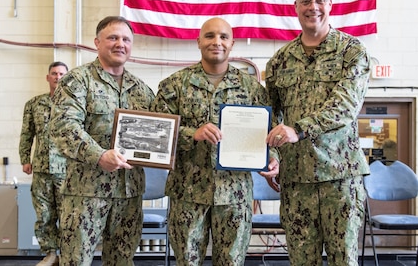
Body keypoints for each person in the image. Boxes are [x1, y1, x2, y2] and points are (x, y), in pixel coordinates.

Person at [151, 17, 280, 265]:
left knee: (231, 262)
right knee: (188, 262)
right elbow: (158, 135)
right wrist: (192, 134)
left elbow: (269, 132)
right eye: (209, 36)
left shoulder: (251, 88)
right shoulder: (174, 85)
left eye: (223, 37)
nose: (216, 42)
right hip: (187, 192)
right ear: (198, 41)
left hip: (235, 195)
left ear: (232, 44)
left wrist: (273, 158)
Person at [265, 0, 371, 266]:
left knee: (343, 260)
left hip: (340, 178)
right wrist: (272, 154)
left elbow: (345, 107)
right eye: (306, 1)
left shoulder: (353, 52)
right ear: (296, 6)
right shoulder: (279, 61)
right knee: (301, 261)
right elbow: (270, 115)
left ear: (331, 4)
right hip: (296, 180)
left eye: (320, 0)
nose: (314, 7)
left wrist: (299, 129)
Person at [49, 16, 155, 266]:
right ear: (97, 42)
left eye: (126, 39)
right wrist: (98, 155)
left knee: (122, 261)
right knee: (76, 261)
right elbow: (63, 127)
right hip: (86, 193)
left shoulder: (141, 89)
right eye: (113, 38)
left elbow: (159, 132)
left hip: (129, 194)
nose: (120, 44)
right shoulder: (77, 81)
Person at [19, 61, 68, 266]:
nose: (58, 77)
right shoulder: (34, 104)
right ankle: (50, 253)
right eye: (54, 74)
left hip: (68, 170)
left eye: (62, 74)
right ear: (48, 77)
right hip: (41, 168)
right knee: (44, 214)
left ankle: (67, 255)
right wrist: (24, 159)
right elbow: (27, 133)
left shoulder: (75, 103)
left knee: (69, 215)